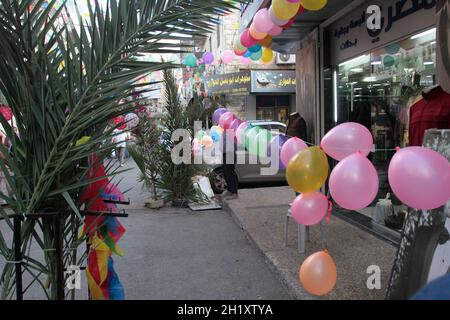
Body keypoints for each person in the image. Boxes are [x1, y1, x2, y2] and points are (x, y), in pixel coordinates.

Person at [221, 128, 238, 200]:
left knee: (230, 173)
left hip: (230, 154)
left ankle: (234, 192)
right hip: (225, 154)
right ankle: (229, 190)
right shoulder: (224, 132)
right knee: (225, 173)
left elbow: (231, 145)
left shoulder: (231, 132)